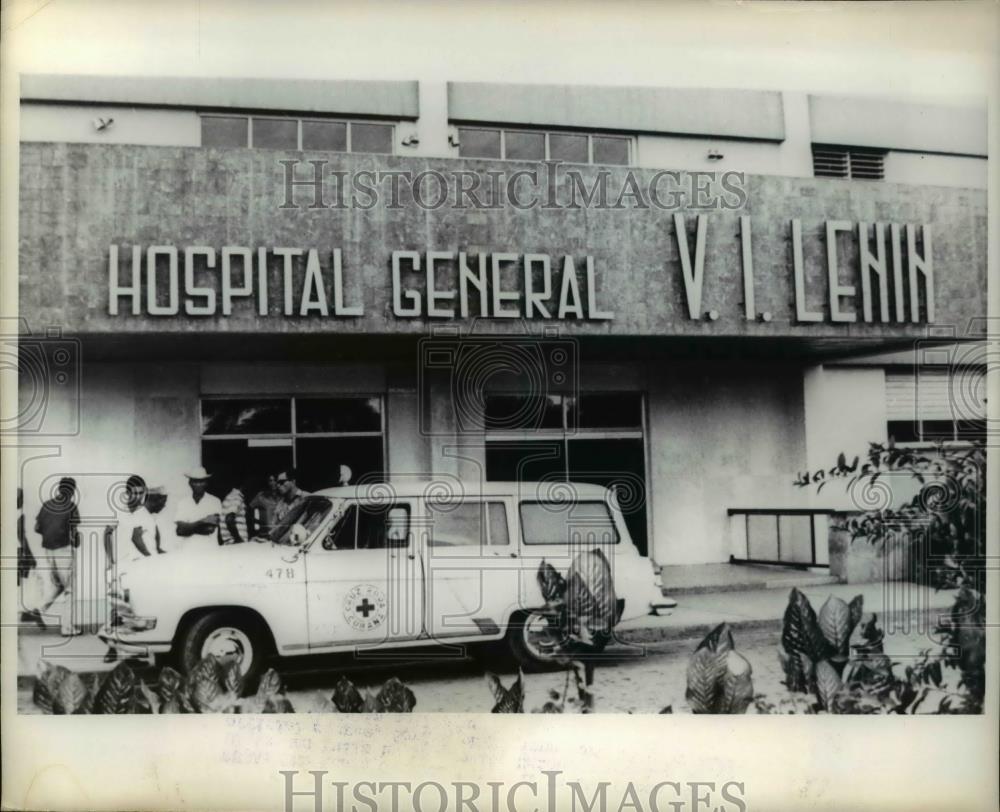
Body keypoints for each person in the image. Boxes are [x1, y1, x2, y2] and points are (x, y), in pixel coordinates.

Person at [34, 477, 81, 635]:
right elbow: (74, 534)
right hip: (64, 550)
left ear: (59, 488)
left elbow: (37, 528)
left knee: (59, 585)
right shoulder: (71, 506)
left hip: (48, 551)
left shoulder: (46, 505)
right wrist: (76, 541)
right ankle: (67, 628)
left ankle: (38, 609)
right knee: (70, 589)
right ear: (72, 491)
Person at [113, 475, 157, 565]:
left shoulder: (145, 514)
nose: (138, 497)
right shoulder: (119, 512)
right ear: (127, 493)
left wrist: (151, 558)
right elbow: (107, 534)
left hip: (143, 562)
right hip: (124, 563)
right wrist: (111, 560)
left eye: (141, 493)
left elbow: (138, 538)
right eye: (135, 493)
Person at [174, 466, 223, 544]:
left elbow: (209, 529)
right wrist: (203, 521)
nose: (198, 485)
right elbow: (179, 531)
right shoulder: (183, 503)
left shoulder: (214, 501)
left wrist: (187, 527)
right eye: (195, 481)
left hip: (209, 550)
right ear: (190, 483)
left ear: (206, 483)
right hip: (188, 550)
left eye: (201, 481)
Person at [220, 477, 254, 545]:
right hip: (235, 544)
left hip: (232, 543)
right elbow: (229, 519)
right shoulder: (236, 498)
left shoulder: (231, 496)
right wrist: (238, 539)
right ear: (244, 485)